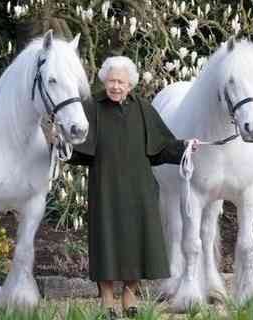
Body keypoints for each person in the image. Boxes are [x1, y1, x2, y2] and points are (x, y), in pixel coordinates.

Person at [66, 56, 198, 319]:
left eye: (121, 82)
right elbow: (78, 149)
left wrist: (186, 146)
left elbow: (160, 149)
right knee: (106, 241)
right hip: (105, 187)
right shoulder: (91, 106)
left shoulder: (143, 109)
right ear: (104, 81)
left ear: (130, 85)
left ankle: (130, 295)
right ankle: (107, 298)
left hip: (140, 189)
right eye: (112, 81)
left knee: (139, 241)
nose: (115, 86)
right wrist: (60, 145)